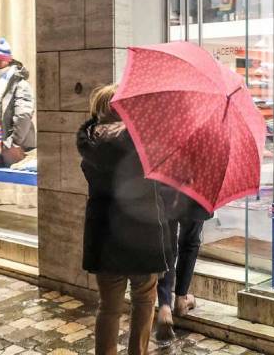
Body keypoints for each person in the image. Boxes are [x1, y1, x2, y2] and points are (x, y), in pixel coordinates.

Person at [76, 84, 173, 355]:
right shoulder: (141, 144)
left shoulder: (90, 146)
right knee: (143, 300)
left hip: (104, 236)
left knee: (108, 307)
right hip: (142, 234)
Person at [155, 200, 209, 341]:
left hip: (166, 190)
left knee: (167, 245)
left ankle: (165, 306)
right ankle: (181, 300)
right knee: (190, 243)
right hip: (196, 192)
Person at [0, 38, 36, 167]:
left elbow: (23, 114)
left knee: (16, 181)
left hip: (12, 144)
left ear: (7, 59)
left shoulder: (20, 84)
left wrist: (14, 142)